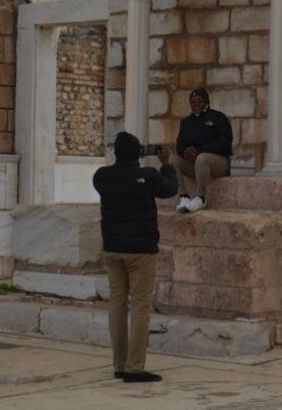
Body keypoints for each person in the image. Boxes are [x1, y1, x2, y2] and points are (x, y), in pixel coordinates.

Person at [92, 131, 178, 383]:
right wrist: (167, 164)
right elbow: (170, 188)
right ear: (139, 153)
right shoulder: (148, 176)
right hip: (140, 251)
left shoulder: (102, 176)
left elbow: (109, 184)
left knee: (117, 305)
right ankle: (135, 367)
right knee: (140, 306)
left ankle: (119, 364)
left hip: (112, 249)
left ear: (115, 152)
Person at [166, 87, 233, 213]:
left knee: (202, 158)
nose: (196, 104)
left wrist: (200, 151)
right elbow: (179, 145)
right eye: (193, 102)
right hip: (196, 164)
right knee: (171, 159)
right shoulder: (186, 122)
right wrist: (185, 152)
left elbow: (224, 142)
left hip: (218, 164)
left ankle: (201, 198)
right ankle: (184, 197)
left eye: (200, 101)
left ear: (206, 102)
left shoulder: (218, 117)